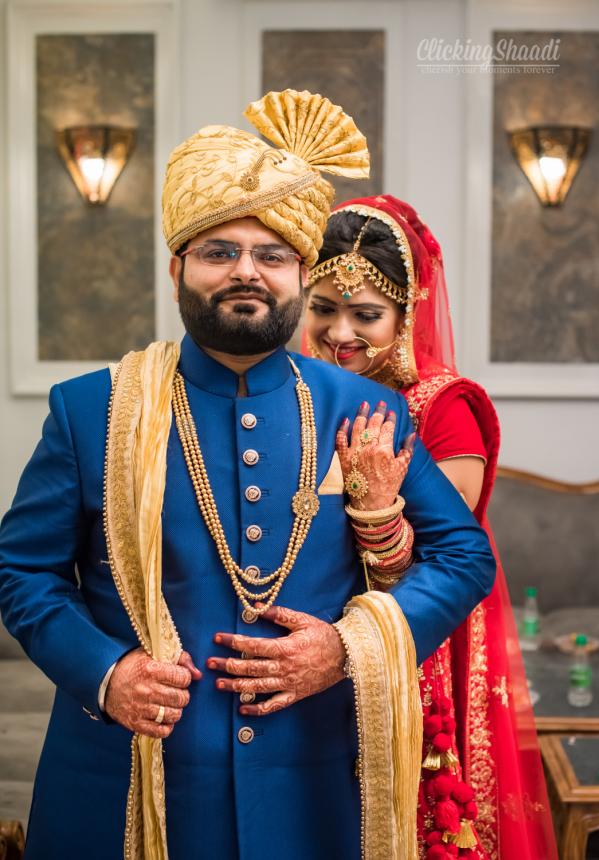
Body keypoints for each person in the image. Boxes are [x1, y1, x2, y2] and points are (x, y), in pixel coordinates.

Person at [0, 93, 495, 860]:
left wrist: (347, 647)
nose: (246, 272)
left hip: (312, 788)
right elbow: (22, 571)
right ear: (177, 269)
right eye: (219, 251)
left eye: (272, 255)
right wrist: (106, 671)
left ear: (299, 273)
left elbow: (464, 557)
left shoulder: (361, 409)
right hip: (123, 777)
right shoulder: (92, 410)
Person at [304, 194, 558, 860]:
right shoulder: (301, 394)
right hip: (320, 631)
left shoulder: (440, 407)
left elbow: (445, 556)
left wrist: (377, 505)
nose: (339, 333)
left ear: (406, 313)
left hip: (414, 637)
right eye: (323, 308)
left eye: (366, 315)